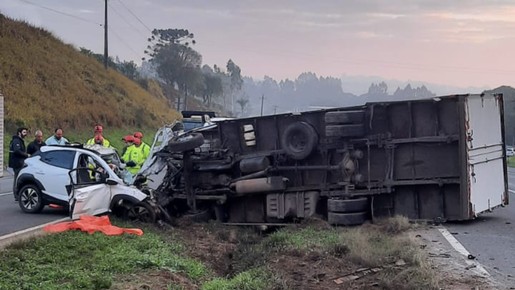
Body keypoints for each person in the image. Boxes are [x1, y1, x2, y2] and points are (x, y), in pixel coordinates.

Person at [9, 127, 29, 200]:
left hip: (20, 162)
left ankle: (18, 194)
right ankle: (16, 194)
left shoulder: (19, 140)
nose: (25, 134)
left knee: (18, 178)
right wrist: (26, 155)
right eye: (24, 132)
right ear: (19, 133)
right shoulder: (16, 141)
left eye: (26, 132)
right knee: (17, 179)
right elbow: (17, 151)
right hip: (17, 163)